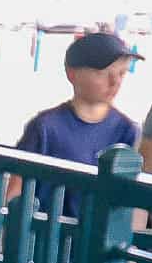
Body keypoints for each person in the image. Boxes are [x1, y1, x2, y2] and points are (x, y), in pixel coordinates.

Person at [8, 31, 141, 212]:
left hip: (97, 237)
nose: (115, 81)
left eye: (122, 73)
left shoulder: (127, 131)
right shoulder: (45, 127)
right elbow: (16, 192)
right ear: (72, 74)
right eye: (103, 73)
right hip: (46, 235)